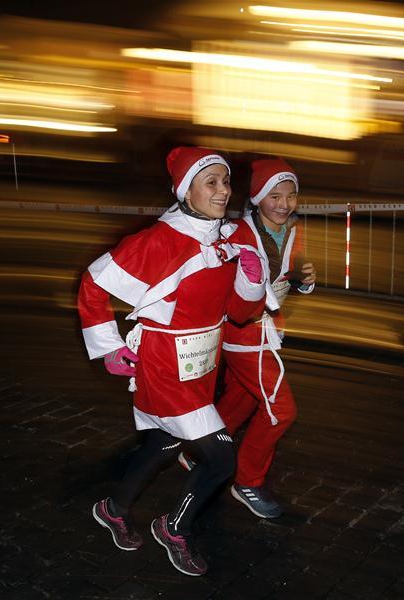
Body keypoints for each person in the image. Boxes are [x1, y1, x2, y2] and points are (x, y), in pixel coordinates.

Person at [77, 147, 265, 576]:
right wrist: (109, 346)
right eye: (211, 182)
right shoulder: (159, 240)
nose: (223, 191)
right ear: (186, 190)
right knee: (220, 458)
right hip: (164, 363)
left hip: (201, 363)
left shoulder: (230, 237)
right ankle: (175, 528)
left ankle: (113, 508)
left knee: (162, 444)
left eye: (226, 181)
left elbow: (237, 312)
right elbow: (93, 283)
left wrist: (252, 280)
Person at [180, 157, 315, 519]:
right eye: (275, 195)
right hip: (244, 333)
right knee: (280, 410)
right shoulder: (236, 231)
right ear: (257, 198)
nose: (284, 203)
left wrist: (305, 279)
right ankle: (247, 480)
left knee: (242, 399)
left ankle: (196, 452)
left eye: (291, 195)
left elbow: (293, 275)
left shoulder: (294, 231)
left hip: (270, 329)